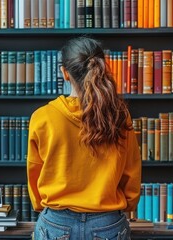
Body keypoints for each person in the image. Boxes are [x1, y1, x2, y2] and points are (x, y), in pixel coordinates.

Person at [27, 36, 142, 240]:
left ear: (65, 73)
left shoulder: (42, 117)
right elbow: (131, 172)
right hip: (108, 223)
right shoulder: (119, 115)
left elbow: (34, 173)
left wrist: (40, 204)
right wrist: (128, 204)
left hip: (56, 222)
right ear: (101, 68)